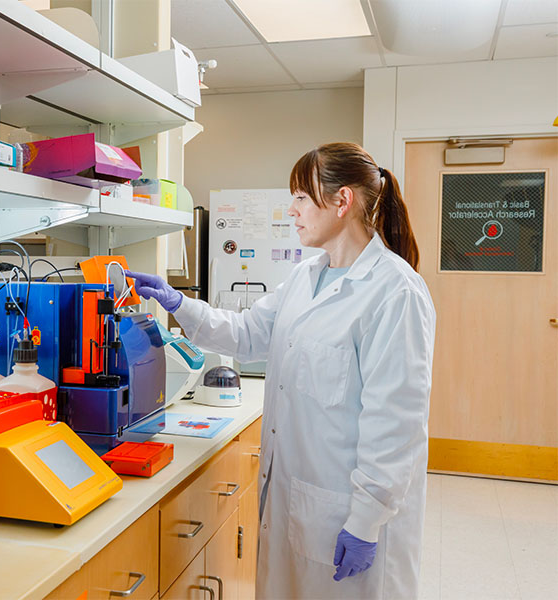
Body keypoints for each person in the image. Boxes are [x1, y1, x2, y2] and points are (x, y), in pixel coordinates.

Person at [127, 142, 436, 599]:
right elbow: (245, 334)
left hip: (347, 515)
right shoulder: (305, 277)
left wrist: (367, 520)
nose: (290, 210)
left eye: (300, 198)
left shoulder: (395, 292)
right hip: (297, 502)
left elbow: (396, 424)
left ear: (342, 201)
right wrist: (178, 303)